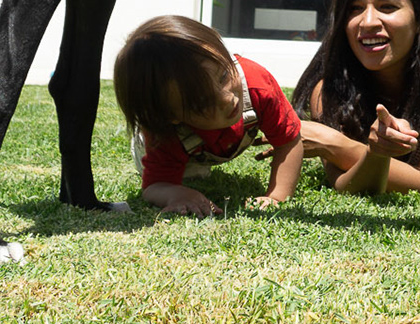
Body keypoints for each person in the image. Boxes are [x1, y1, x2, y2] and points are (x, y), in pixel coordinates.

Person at [294, 0, 420, 194]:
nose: (368, 21)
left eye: (387, 6)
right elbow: (345, 184)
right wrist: (374, 154)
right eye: (355, 8)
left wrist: (337, 145)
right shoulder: (328, 91)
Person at [114, 14, 303, 216]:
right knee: (190, 177)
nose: (227, 99)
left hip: (212, 140)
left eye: (223, 76)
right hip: (174, 141)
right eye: (204, 102)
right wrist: (177, 194)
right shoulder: (165, 134)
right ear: (172, 115)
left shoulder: (257, 85)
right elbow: (154, 186)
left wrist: (277, 196)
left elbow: (289, 142)